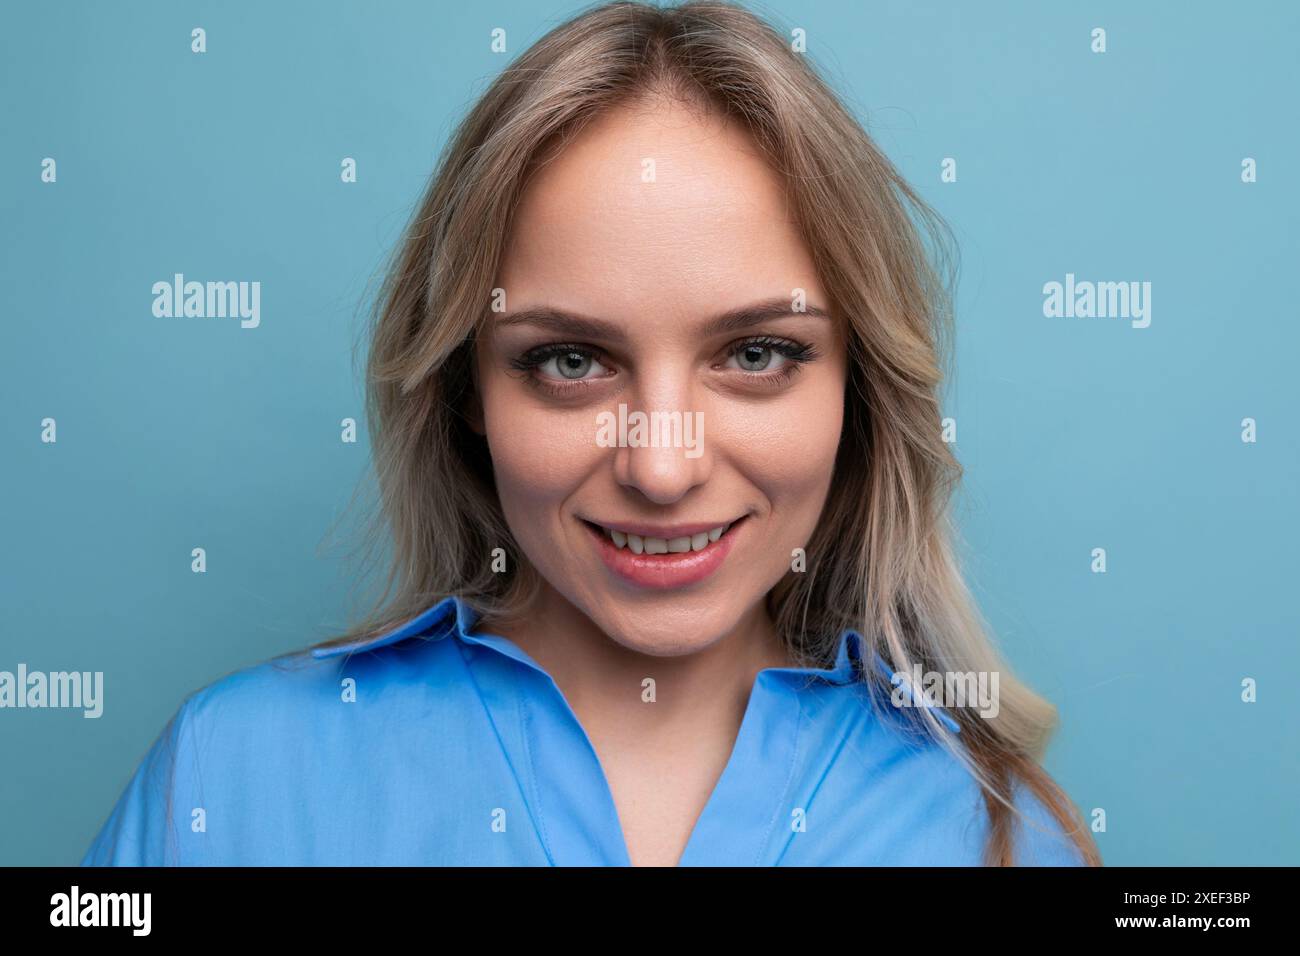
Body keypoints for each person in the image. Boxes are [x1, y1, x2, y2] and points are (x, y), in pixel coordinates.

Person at [83, 0, 1101, 867]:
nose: (662, 467)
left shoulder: (995, 831)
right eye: (569, 360)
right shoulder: (228, 779)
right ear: (465, 390)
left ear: (857, 390)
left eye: (755, 353)